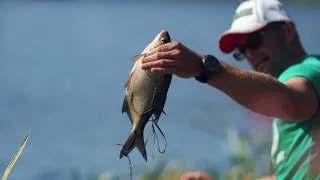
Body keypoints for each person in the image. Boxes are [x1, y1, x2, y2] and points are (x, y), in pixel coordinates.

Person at [140, 0, 320, 179]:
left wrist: (202, 67)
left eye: (254, 40)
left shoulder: (311, 71)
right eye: (241, 50)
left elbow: (288, 102)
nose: (249, 54)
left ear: (288, 30)